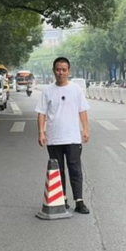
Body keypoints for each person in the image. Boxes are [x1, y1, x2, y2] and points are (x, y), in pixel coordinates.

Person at [36, 57, 91, 214]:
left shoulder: (75, 89)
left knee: (75, 169)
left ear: (69, 71)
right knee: (58, 170)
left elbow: (82, 110)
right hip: (53, 138)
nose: (61, 72)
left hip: (72, 137)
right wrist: (41, 132)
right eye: (58, 69)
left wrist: (85, 130)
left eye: (64, 70)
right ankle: (62, 199)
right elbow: (41, 113)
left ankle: (79, 201)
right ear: (54, 71)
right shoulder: (47, 91)